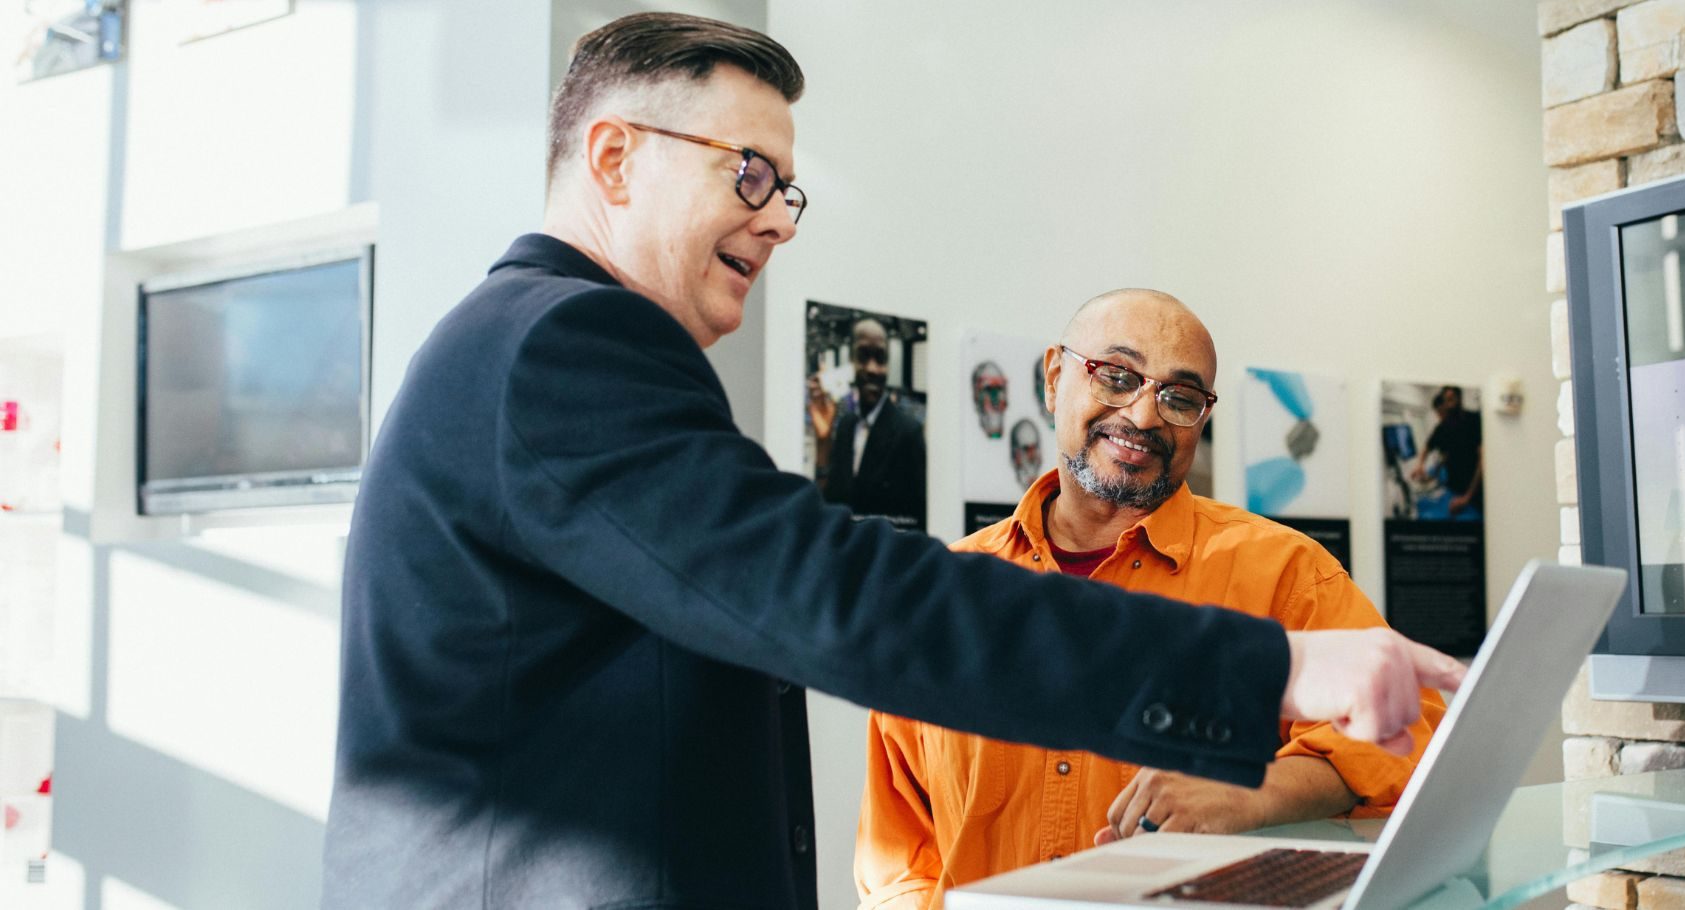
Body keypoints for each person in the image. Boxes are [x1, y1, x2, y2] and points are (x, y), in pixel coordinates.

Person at [322, 13, 1465, 910]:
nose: (778, 219)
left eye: (787, 187)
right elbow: (835, 596)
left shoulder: (527, 344)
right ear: (614, 158)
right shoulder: (564, 342)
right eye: (749, 173)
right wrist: (1263, 671)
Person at [855, 291, 1449, 909]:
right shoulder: (945, 594)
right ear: (1056, 377)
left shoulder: (1285, 573)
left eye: (1180, 396)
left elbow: (1410, 742)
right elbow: (899, 856)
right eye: (1117, 377)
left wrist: (1253, 790)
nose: (1143, 416)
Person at [812, 317, 927, 529]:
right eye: (863, 356)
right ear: (851, 361)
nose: (872, 368)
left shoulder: (908, 432)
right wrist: (823, 441)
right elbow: (829, 503)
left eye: (880, 359)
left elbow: (917, 523)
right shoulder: (846, 426)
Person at [1411, 385, 1483, 519]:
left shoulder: (1474, 419)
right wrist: (1420, 464)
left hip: (1474, 492)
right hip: (1453, 489)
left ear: (1459, 399)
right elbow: (1429, 446)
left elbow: (1482, 461)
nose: (1448, 405)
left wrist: (1467, 497)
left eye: (1451, 399)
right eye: (1446, 400)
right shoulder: (1444, 426)